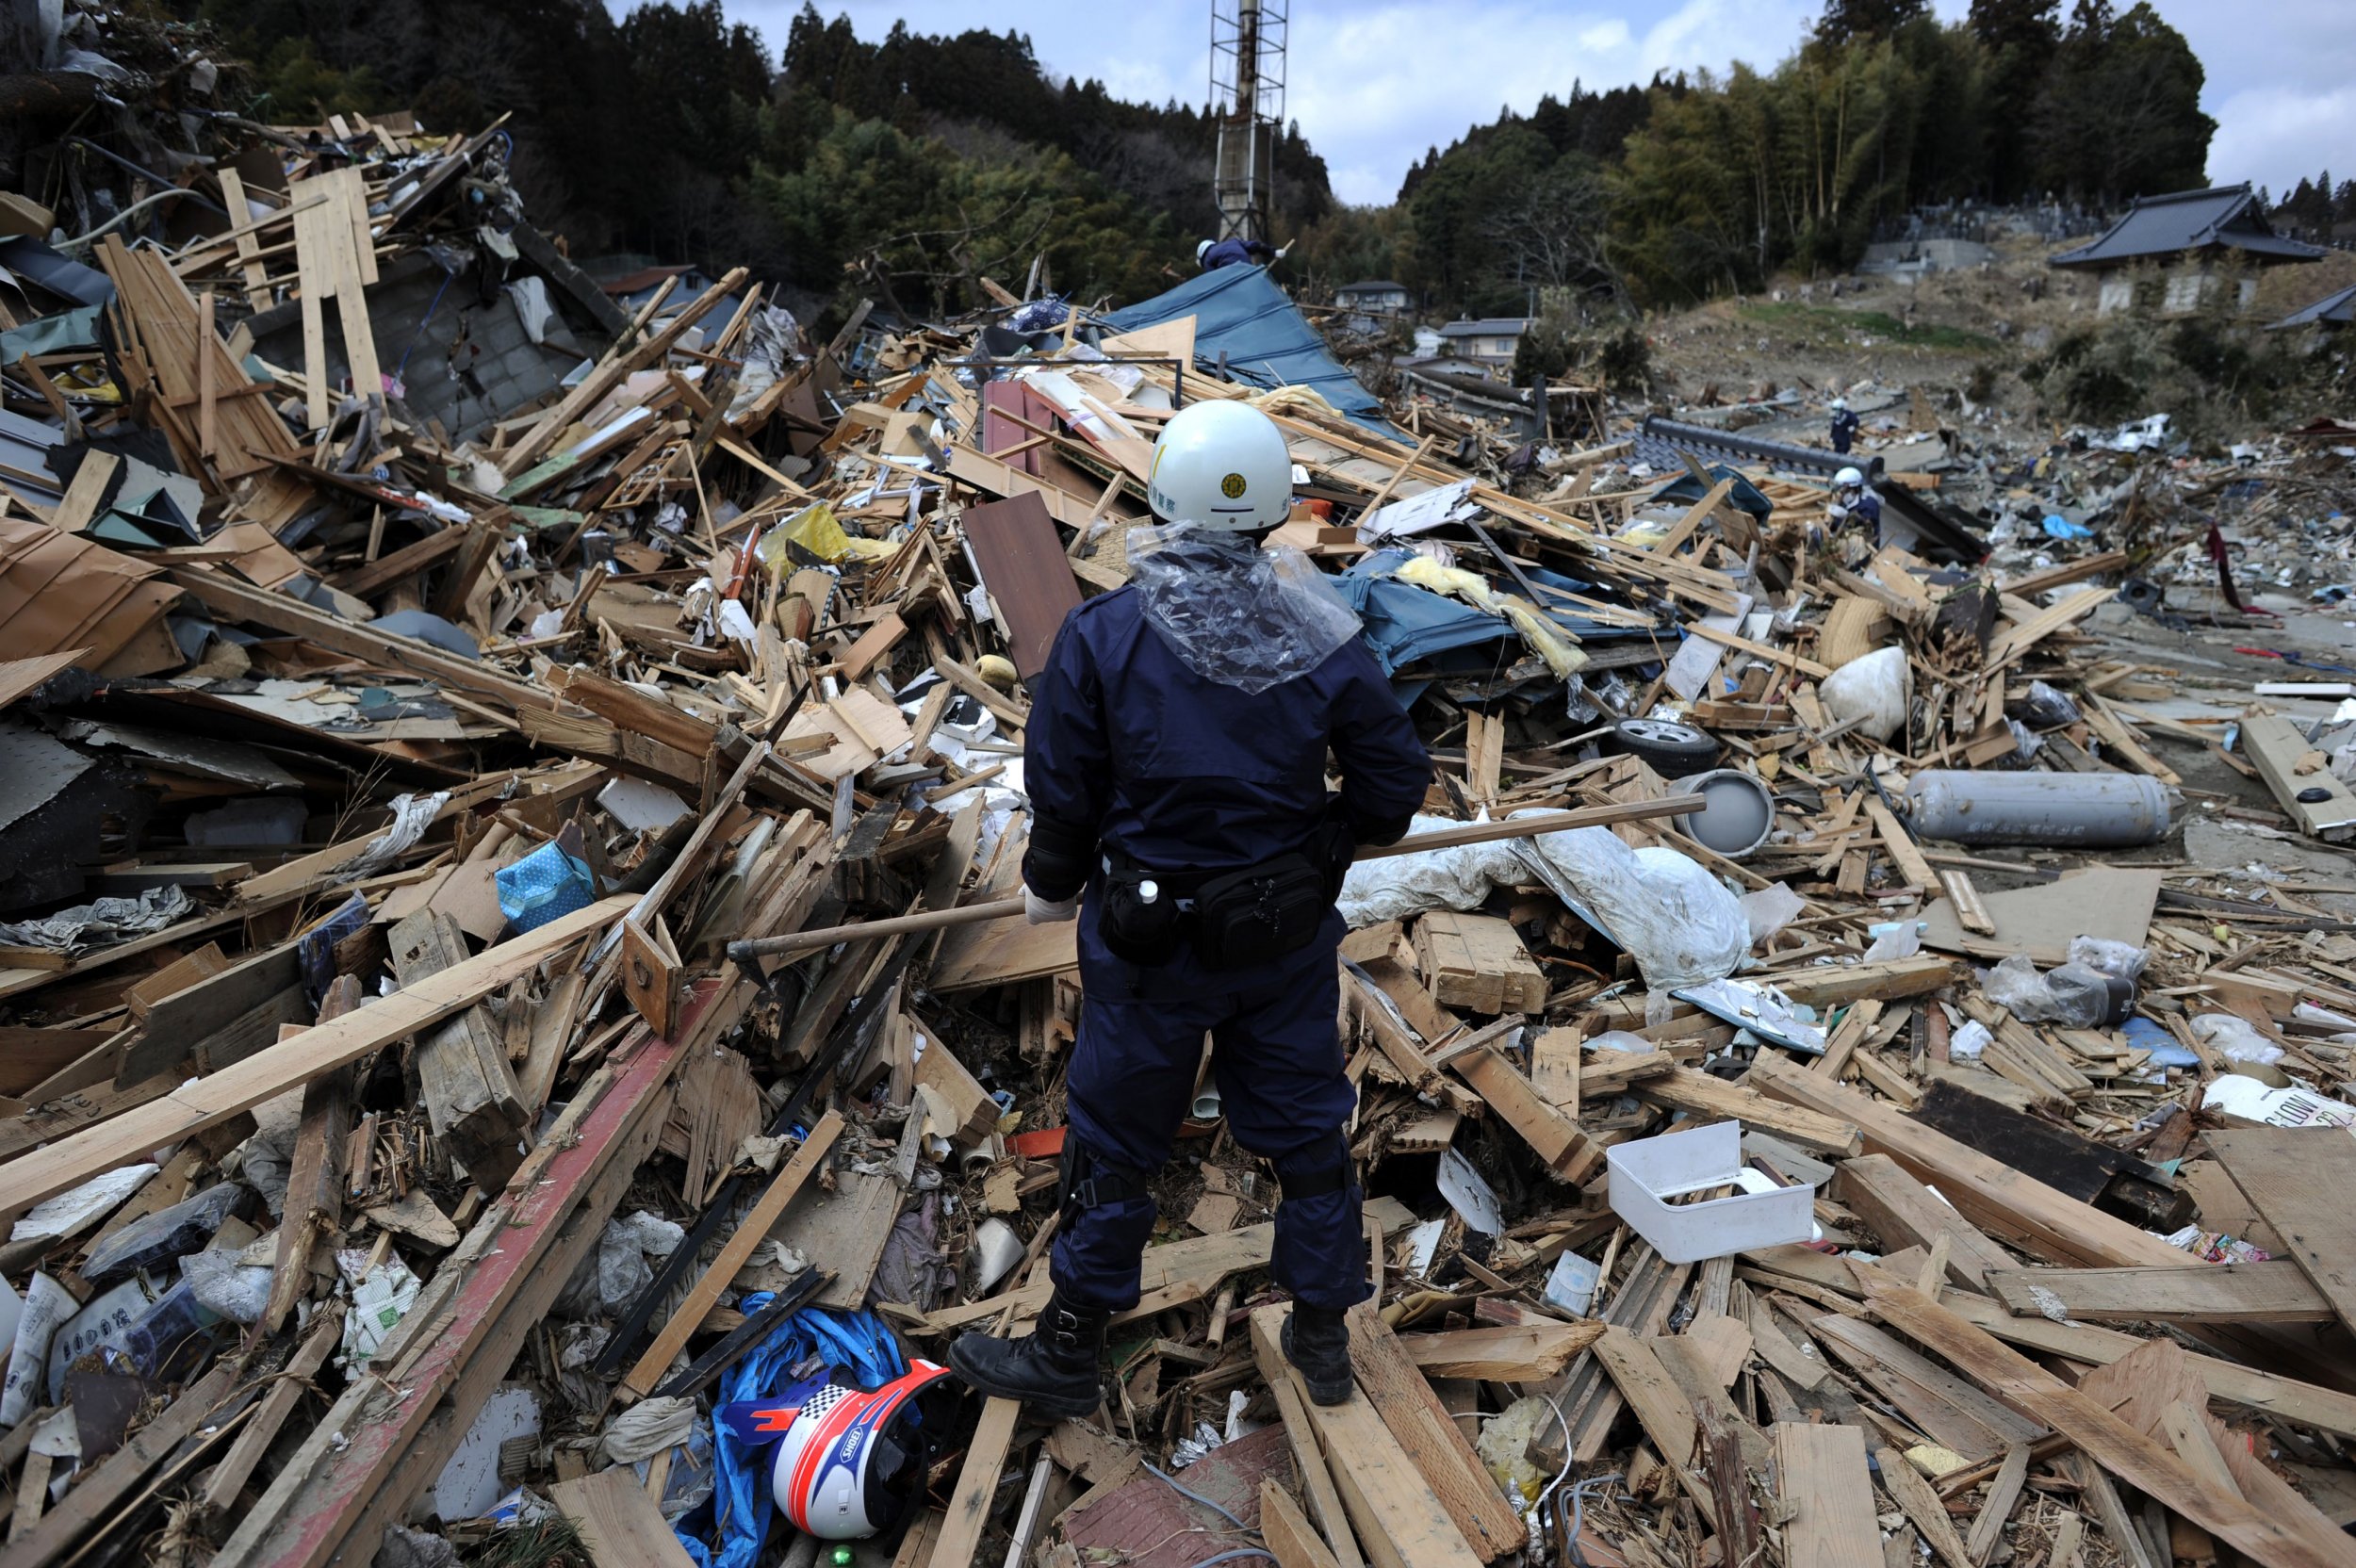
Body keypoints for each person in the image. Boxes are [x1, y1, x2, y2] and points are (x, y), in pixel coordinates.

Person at [948, 400, 1431, 1416]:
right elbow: (1393, 786)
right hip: (1281, 935)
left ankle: (1070, 1346)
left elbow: (1063, 789)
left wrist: (1051, 879)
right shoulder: (1323, 630)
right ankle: (1323, 1334)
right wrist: (1322, 845)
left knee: (1116, 1137)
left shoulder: (1104, 633)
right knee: (1305, 1130)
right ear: (1274, 512)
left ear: (1161, 498)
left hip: (1147, 945)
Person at [1828, 465, 1881, 545]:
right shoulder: (1845, 504)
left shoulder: (1869, 504)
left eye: (1844, 491)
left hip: (1865, 547)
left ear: (1854, 489)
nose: (1841, 494)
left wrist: (1846, 516)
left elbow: (1865, 527)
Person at [1196, 235, 1282, 270]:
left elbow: (1213, 280)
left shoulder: (1207, 258)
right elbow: (1255, 246)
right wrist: (1274, 253)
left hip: (1232, 278)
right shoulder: (1234, 241)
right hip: (1249, 270)